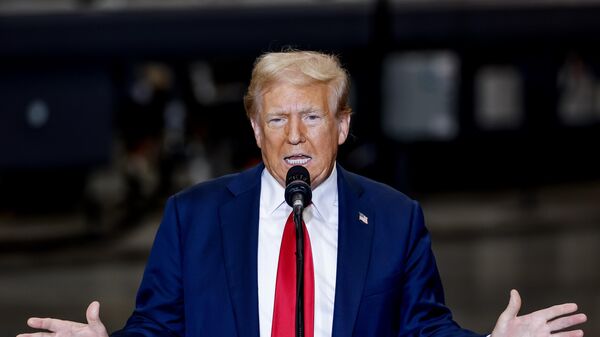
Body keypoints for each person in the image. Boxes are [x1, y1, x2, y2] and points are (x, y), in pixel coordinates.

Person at [18, 50, 587, 337]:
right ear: (253, 128)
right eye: (277, 119)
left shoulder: (394, 218)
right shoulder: (193, 217)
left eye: (311, 116)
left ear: (341, 126)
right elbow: (157, 330)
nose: (294, 136)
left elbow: (425, 330)